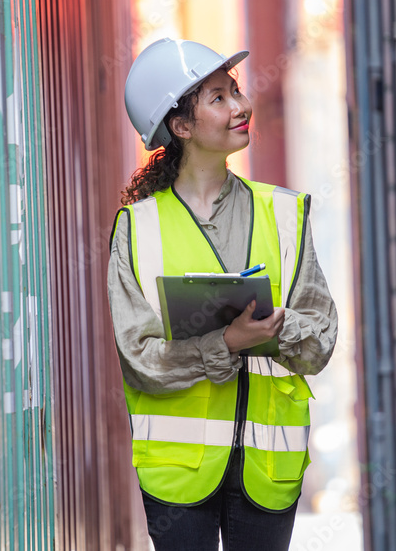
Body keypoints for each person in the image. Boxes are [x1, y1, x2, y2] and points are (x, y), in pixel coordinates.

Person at [107, 37, 338, 551]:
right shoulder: (137, 230)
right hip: (178, 474)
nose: (242, 106)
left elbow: (320, 339)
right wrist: (226, 344)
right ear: (182, 127)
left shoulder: (285, 214)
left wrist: (276, 326)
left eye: (235, 91)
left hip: (268, 466)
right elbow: (139, 358)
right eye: (219, 98)